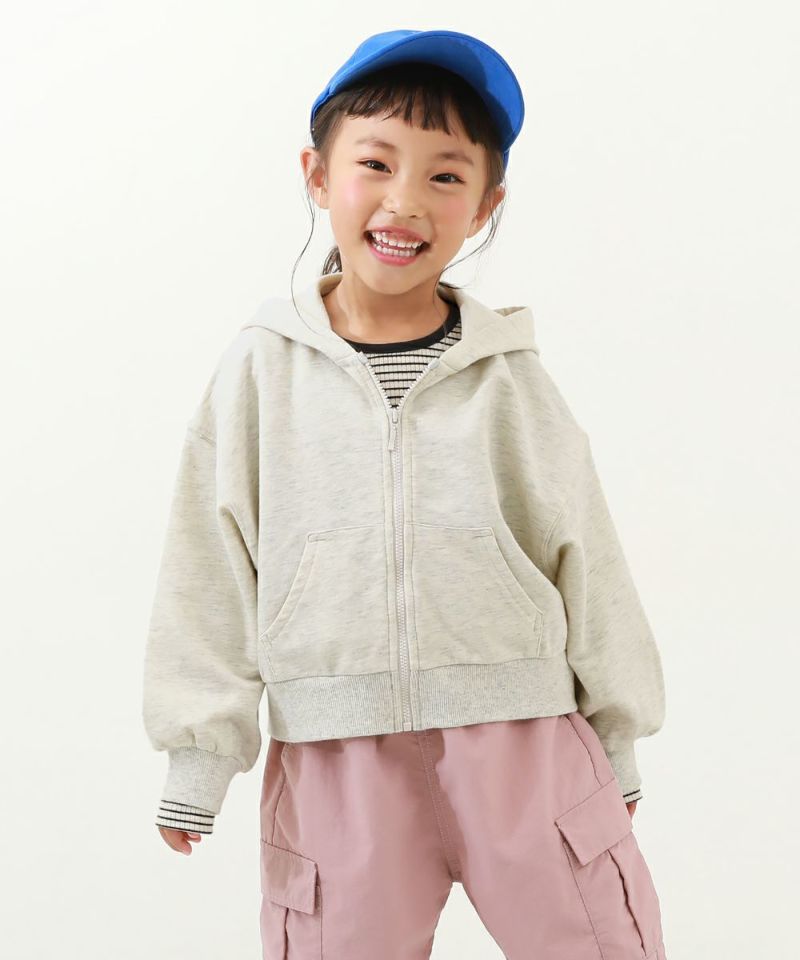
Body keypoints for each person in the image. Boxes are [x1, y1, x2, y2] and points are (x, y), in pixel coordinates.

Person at [142, 28, 668, 959]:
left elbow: (584, 548)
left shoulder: (510, 376)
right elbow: (210, 563)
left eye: (445, 175)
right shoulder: (260, 372)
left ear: (486, 204)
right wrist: (200, 754)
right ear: (317, 175)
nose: (405, 201)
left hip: (525, 747)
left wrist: (617, 733)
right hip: (336, 761)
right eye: (376, 163)